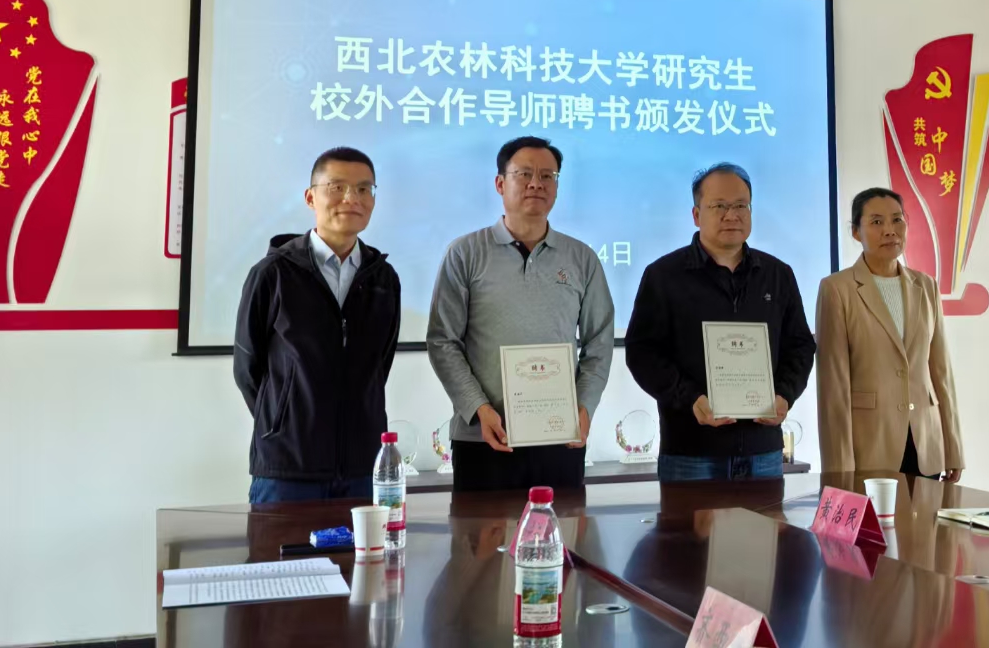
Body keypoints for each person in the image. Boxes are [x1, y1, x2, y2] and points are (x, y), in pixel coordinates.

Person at [427, 136, 614, 492]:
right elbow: (443, 342)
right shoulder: (465, 253)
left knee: (561, 528)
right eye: (524, 174)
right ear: (500, 183)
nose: (536, 184)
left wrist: (584, 407)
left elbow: (599, 343)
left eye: (547, 176)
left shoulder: (582, 258)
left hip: (559, 437)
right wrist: (478, 408)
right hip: (483, 438)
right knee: (480, 531)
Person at [626, 163, 816, 482]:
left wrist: (784, 395)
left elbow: (799, 346)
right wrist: (690, 399)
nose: (732, 215)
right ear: (696, 215)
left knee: (766, 518)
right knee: (689, 520)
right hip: (690, 452)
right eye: (719, 206)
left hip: (762, 450)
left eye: (741, 205)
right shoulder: (663, 276)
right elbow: (642, 352)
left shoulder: (778, 274)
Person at [234, 147, 401, 503]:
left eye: (363, 189)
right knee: (279, 544)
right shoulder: (273, 274)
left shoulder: (384, 279)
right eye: (337, 187)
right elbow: (248, 369)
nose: (351, 198)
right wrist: (283, 421)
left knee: (366, 544)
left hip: (362, 466)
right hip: (288, 468)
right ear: (311, 197)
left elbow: (380, 365)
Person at [816, 187, 963, 480]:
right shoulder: (837, 289)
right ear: (856, 232)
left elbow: (941, 372)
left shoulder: (926, 286)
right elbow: (833, 388)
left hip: (926, 444)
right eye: (876, 222)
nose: (889, 231)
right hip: (870, 446)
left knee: (927, 513)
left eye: (897, 220)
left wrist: (953, 447)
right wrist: (839, 468)